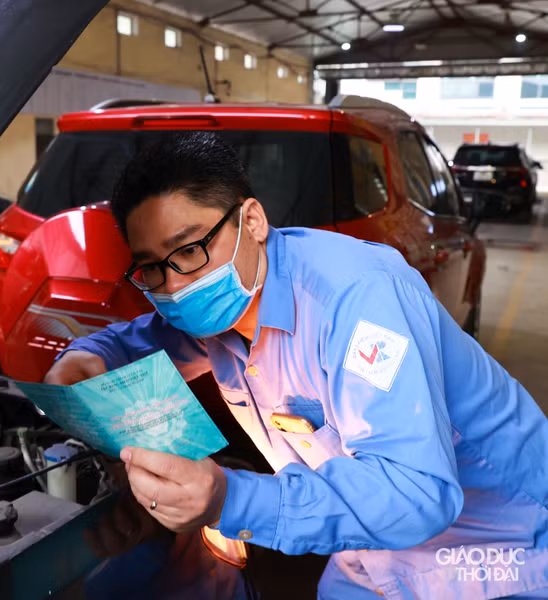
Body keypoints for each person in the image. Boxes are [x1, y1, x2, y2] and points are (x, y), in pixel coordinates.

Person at [46, 131, 548, 599]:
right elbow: (140, 338)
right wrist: (86, 356)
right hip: (370, 549)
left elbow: (418, 493)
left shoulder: (358, 300)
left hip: (500, 546)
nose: (175, 286)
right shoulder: (222, 309)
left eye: (191, 249)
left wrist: (230, 500)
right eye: (152, 268)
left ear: (252, 222)